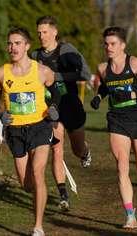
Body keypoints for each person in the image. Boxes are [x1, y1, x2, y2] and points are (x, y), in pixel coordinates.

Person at [0, 27, 60, 236]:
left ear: (27, 46)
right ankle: (33, 193)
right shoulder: (1, 73)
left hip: (40, 126)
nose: (13, 47)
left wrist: (54, 109)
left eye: (17, 43)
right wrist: (1, 113)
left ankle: (38, 226)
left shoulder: (42, 71)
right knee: (26, 184)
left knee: (38, 173)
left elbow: (56, 94)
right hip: (15, 131)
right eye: (10, 43)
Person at [90, 26, 137, 229]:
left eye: (113, 44)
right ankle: (130, 216)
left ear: (122, 45)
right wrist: (98, 96)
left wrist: (132, 95)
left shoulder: (134, 63)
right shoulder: (103, 68)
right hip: (116, 119)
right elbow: (105, 85)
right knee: (122, 167)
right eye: (106, 44)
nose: (108, 47)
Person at [31, 16, 92, 211]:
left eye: (45, 32)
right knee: (57, 149)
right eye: (39, 32)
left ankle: (85, 152)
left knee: (77, 148)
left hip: (70, 104)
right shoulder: (34, 56)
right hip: (50, 108)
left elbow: (85, 74)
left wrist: (55, 76)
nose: (41, 36)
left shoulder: (66, 50)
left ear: (54, 32)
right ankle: (63, 195)